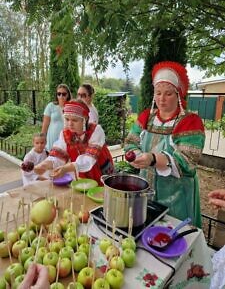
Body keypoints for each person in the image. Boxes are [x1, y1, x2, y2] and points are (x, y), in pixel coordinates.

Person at [124, 61, 205, 228]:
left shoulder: (190, 122)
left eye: (168, 94)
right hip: (147, 189)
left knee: (174, 235)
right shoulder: (147, 117)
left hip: (177, 194)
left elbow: (187, 162)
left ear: (178, 94)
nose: (161, 99)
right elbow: (131, 141)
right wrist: (134, 155)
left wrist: (153, 159)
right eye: (158, 93)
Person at [34, 100, 114, 185]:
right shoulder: (65, 134)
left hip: (100, 167)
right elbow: (58, 154)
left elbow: (88, 159)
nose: (70, 124)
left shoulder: (96, 130)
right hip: (81, 171)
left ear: (85, 119)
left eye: (74, 120)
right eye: (67, 119)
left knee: (103, 191)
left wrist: (67, 168)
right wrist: (44, 165)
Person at [41, 83, 72, 151]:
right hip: (52, 141)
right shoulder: (51, 106)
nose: (61, 96)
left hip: (66, 141)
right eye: (59, 94)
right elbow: (45, 126)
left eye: (64, 94)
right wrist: (41, 141)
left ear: (68, 95)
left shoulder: (71, 107)